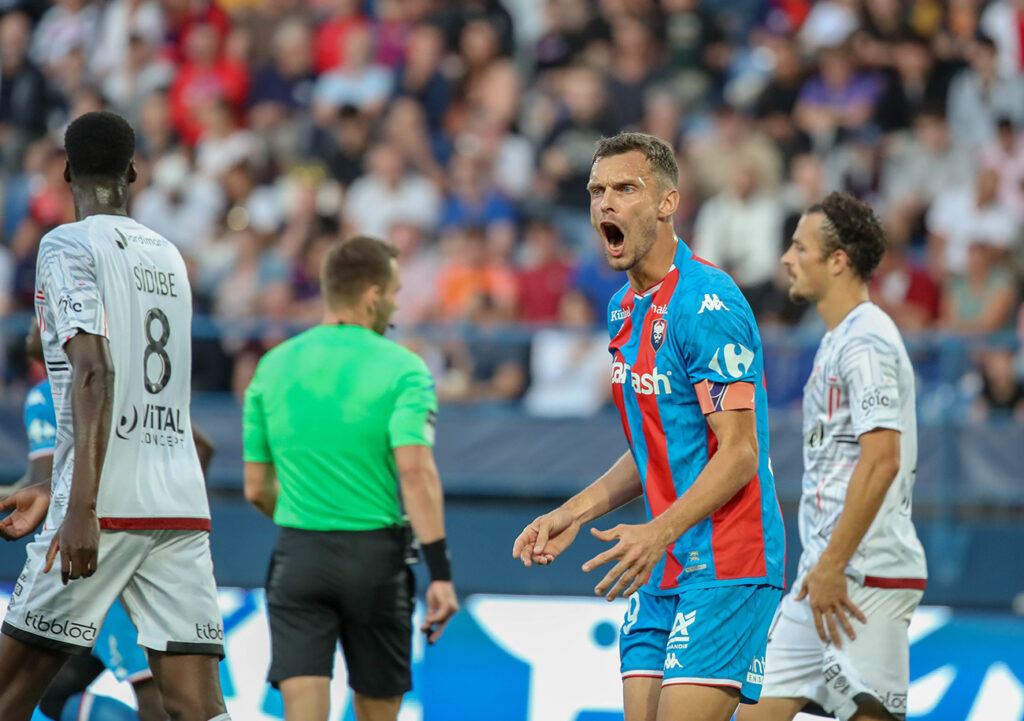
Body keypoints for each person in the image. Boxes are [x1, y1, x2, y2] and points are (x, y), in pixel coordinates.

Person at [512, 132, 786, 721]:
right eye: (596, 191)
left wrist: (657, 531)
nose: (604, 204)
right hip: (662, 557)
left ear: (667, 203)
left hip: (728, 558)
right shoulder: (620, 309)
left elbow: (739, 455)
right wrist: (573, 512)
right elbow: (653, 449)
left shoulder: (709, 303)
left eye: (625, 189)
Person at [0, 111, 231, 721]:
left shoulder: (66, 244)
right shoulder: (170, 256)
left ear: (67, 172)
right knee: (199, 707)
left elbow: (95, 372)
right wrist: (55, 487)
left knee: (8, 694)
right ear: (134, 172)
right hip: (179, 504)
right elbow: (146, 396)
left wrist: (78, 507)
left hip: (103, 508)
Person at [242, 235, 459, 721]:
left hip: (299, 557)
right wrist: (440, 574)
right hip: (375, 562)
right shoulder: (405, 369)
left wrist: (309, 515)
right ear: (372, 296)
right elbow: (415, 471)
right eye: (396, 291)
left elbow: (255, 487)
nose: (398, 303)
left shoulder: (272, 366)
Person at [737, 192, 927, 721]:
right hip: (821, 577)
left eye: (799, 247)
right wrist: (822, 567)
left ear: (838, 260)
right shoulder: (836, 339)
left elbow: (883, 459)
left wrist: (835, 564)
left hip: (862, 577)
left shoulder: (867, 340)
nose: (785, 258)